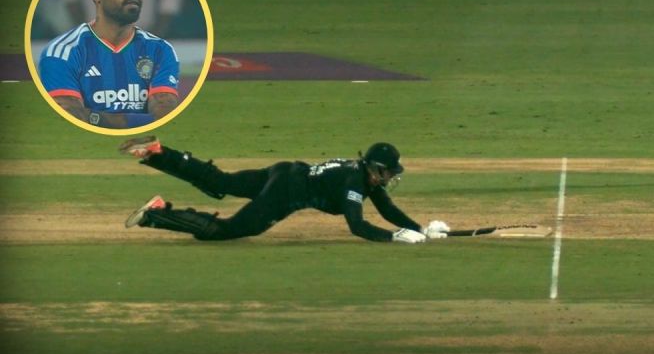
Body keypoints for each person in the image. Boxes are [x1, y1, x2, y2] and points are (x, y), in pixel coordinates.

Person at [119, 136, 450, 243]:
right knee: (227, 230)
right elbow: (357, 225)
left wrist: (420, 228)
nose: (389, 178)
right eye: (388, 172)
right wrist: (393, 237)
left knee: (221, 182)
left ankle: (158, 153)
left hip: (284, 171)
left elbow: (388, 209)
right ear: (375, 168)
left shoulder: (362, 175)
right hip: (287, 192)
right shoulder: (354, 183)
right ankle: (156, 214)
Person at [38, 0, 180, 129]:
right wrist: (130, 121)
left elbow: (164, 110)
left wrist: (103, 118)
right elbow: (70, 114)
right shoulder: (62, 52)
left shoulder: (161, 50)